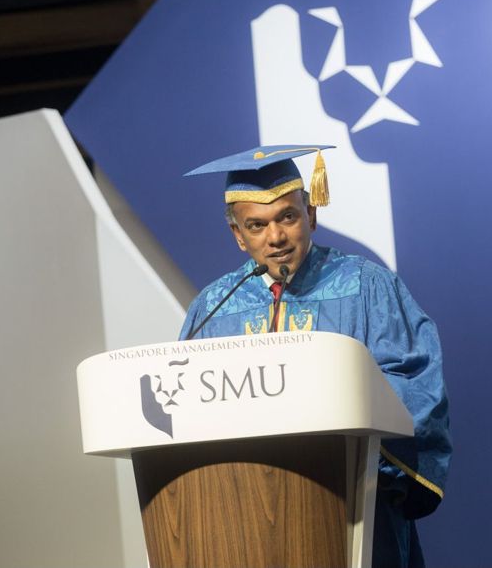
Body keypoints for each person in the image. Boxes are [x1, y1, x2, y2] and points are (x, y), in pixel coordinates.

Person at [179, 144, 450, 568]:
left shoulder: (365, 286)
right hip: (242, 511)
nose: (276, 237)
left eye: (288, 216)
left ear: (311, 214)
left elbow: (415, 384)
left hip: (350, 502)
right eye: (257, 225)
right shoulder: (213, 307)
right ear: (238, 235)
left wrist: (343, 439)